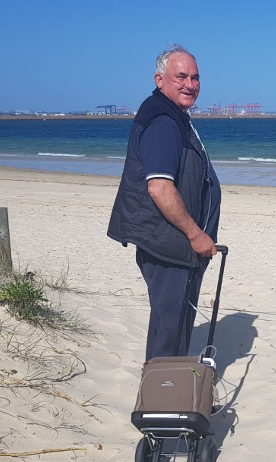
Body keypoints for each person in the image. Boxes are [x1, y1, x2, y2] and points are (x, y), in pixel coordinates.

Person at [108, 44, 222, 361]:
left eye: (196, 78)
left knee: (168, 325)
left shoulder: (172, 116)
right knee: (171, 331)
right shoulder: (162, 122)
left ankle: (159, 396)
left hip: (173, 242)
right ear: (160, 80)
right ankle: (165, 402)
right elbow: (159, 188)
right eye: (181, 76)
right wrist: (195, 234)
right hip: (170, 244)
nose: (190, 84)